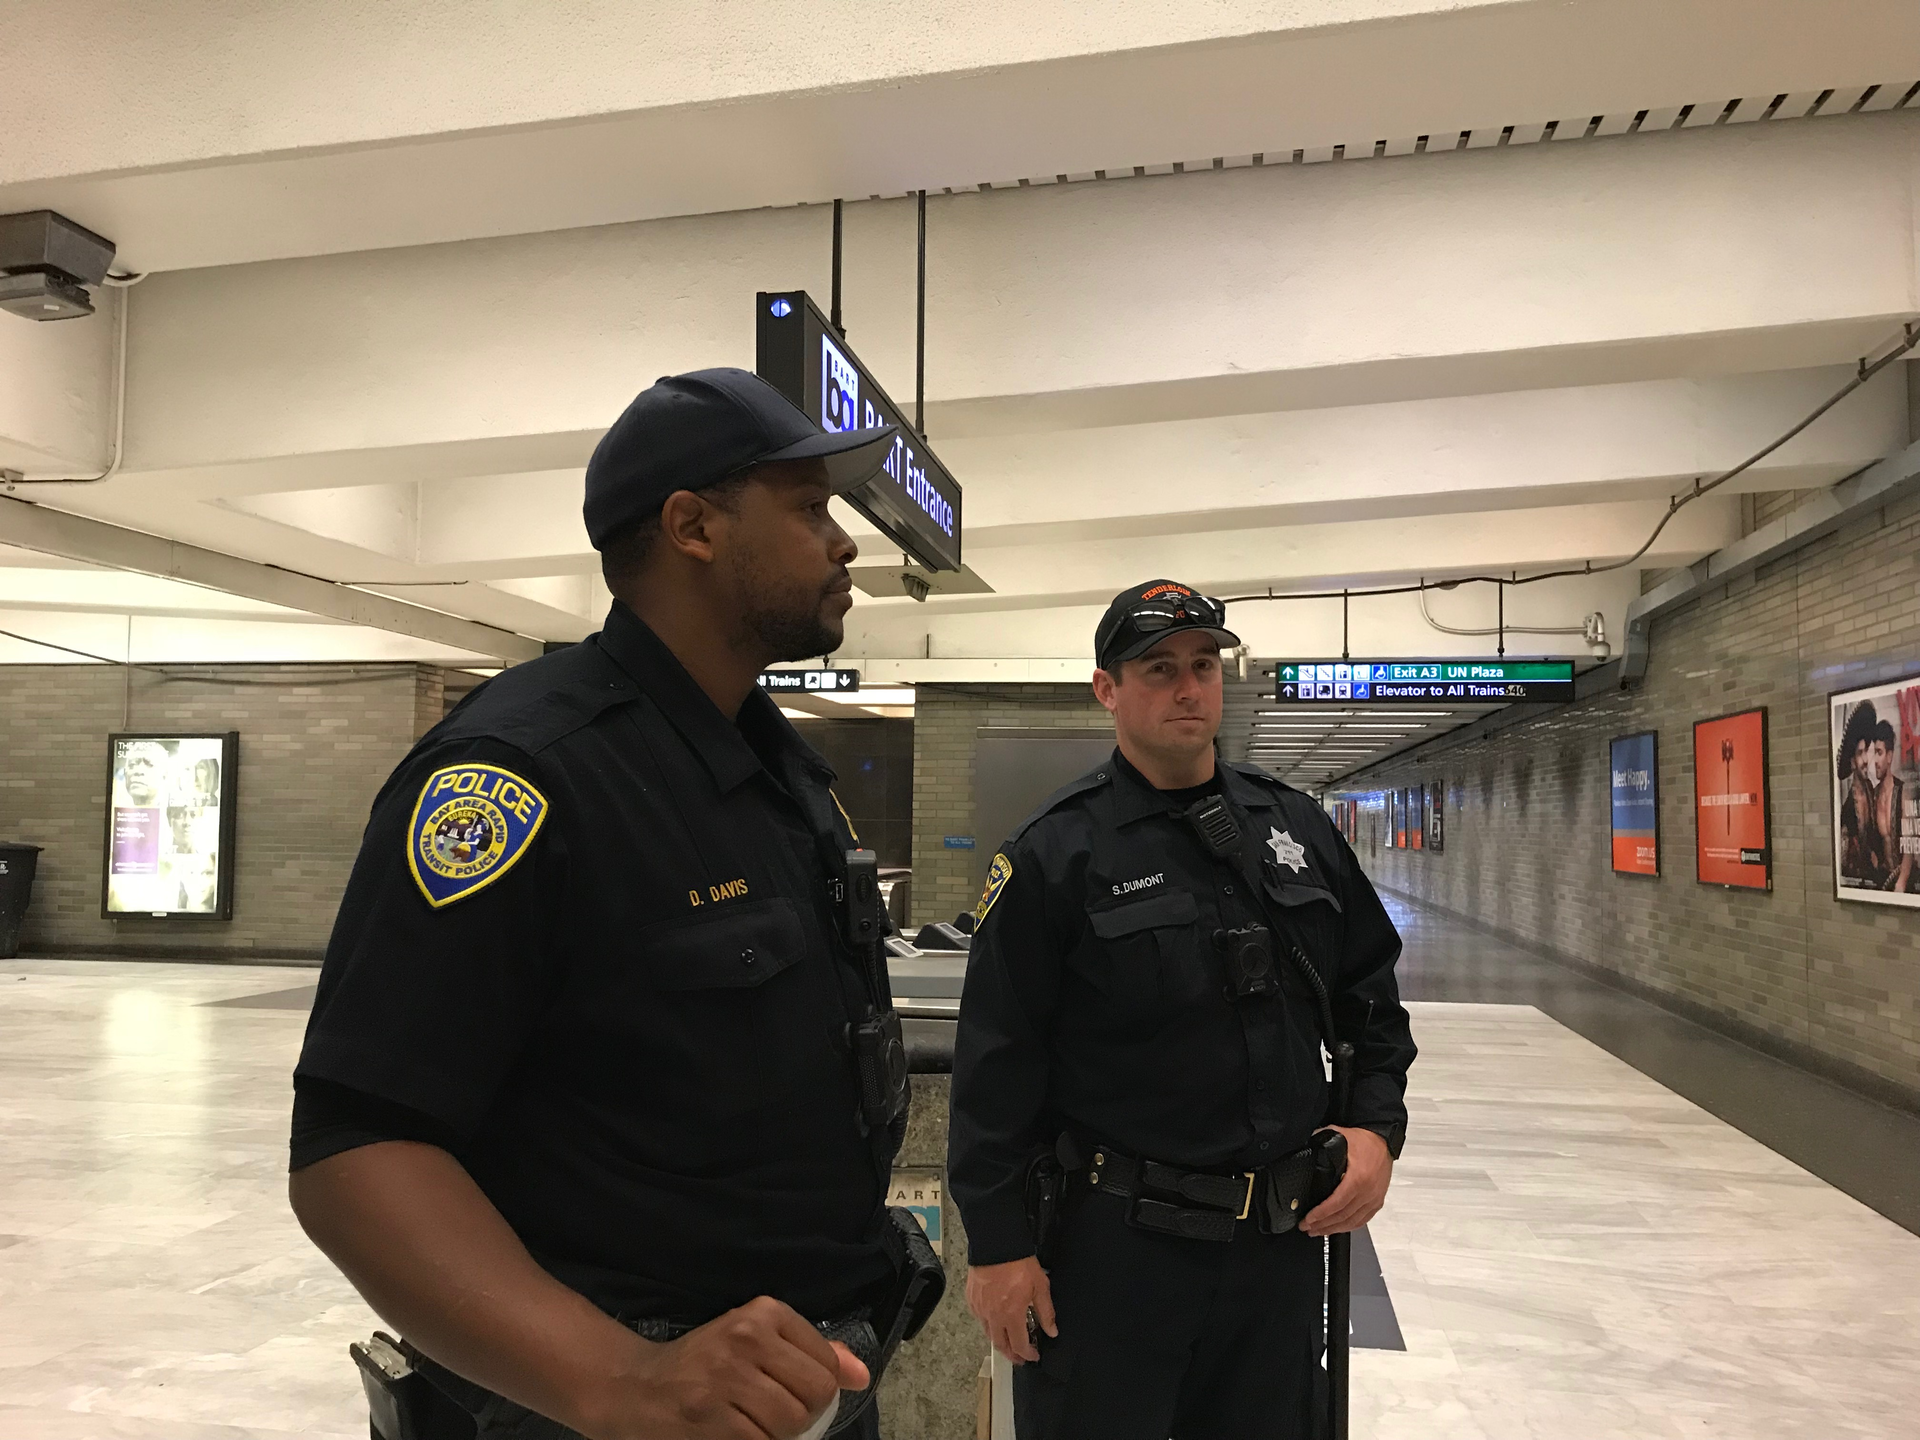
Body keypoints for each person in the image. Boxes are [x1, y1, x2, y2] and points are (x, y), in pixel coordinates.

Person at [288, 368, 925, 1440]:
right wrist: (619, 1379)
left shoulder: (777, 776)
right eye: (811, 508)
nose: (845, 542)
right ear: (692, 526)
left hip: (795, 1391)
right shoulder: (525, 776)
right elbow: (358, 1151)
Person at [948, 580, 1417, 1440]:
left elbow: (1369, 995)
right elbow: (997, 1065)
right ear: (1108, 689)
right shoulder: (1058, 854)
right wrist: (998, 1243)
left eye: (1204, 665)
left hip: (1276, 1252)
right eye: (1158, 668)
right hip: (1115, 1256)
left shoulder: (1294, 828)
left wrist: (1376, 1129)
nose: (1188, 686)